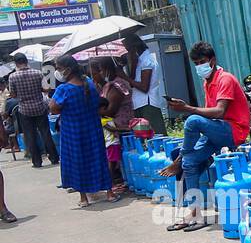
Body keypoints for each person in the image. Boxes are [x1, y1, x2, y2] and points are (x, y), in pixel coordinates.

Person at [160, 41, 251, 231]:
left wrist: (186, 108)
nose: (199, 66)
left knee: (192, 120)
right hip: (217, 130)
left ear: (213, 60)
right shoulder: (207, 82)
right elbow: (209, 115)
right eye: (196, 63)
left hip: (234, 131)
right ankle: (196, 214)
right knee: (190, 162)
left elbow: (218, 111)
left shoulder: (225, 79)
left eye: (202, 61)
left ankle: (179, 159)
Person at [47, 55, 113, 207]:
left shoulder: (64, 89)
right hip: (92, 128)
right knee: (98, 158)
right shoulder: (88, 83)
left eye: (58, 68)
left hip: (73, 131)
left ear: (67, 70)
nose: (57, 72)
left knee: (77, 161)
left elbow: (53, 108)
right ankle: (110, 192)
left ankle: (84, 198)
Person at [90, 57, 135, 199]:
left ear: (104, 70)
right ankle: (118, 181)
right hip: (112, 126)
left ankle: (115, 183)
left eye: (96, 72)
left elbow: (110, 110)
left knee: (113, 157)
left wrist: (95, 110)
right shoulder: (106, 85)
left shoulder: (116, 86)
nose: (94, 75)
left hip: (120, 125)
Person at [9, 53, 59, 169]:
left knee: (29, 135)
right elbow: (46, 89)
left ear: (16, 63)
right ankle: (54, 158)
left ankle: (37, 161)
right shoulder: (38, 73)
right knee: (46, 133)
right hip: (40, 107)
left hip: (24, 109)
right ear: (26, 61)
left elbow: (13, 94)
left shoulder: (13, 77)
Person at [123, 33, 166, 135]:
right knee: (142, 135)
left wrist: (124, 77)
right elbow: (132, 83)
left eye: (128, 50)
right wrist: (133, 65)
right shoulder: (139, 61)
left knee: (155, 135)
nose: (127, 53)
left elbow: (144, 87)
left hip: (148, 103)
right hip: (138, 103)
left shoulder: (147, 60)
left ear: (134, 47)